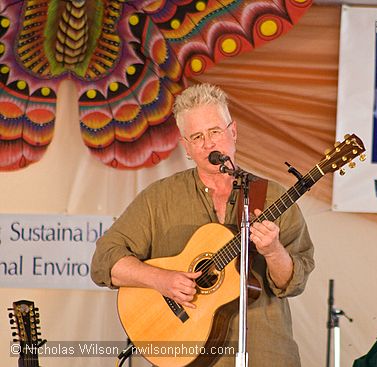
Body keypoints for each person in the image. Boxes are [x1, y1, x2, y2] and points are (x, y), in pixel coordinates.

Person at [90, 83, 315, 366]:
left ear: (233, 132)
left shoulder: (274, 197)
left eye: (215, 132)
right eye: (197, 137)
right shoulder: (158, 198)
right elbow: (104, 260)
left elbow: (293, 283)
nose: (209, 144)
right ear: (186, 146)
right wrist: (161, 280)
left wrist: (272, 251)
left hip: (265, 353)